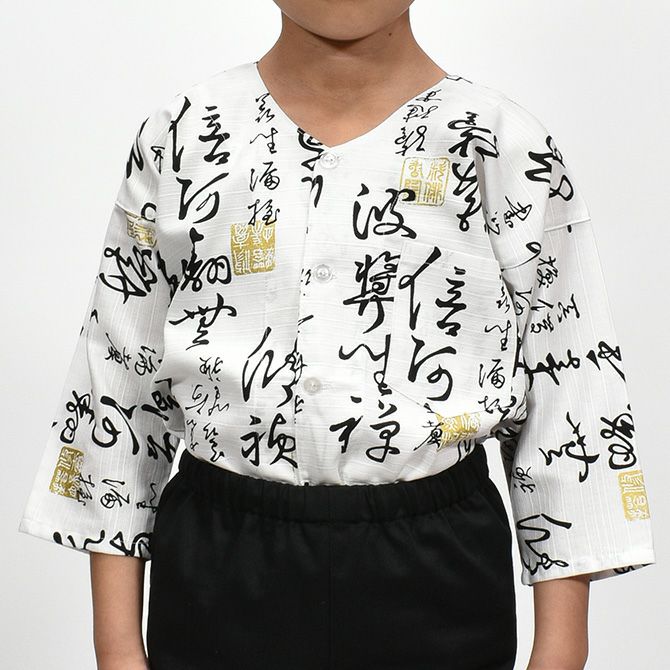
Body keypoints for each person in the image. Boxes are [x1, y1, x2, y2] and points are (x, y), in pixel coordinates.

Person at [18, 1, 656, 669]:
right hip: (220, 568)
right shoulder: (183, 137)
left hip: (437, 570)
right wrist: (119, 648)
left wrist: (560, 648)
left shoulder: (501, 144)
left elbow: (571, 391)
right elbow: (120, 382)